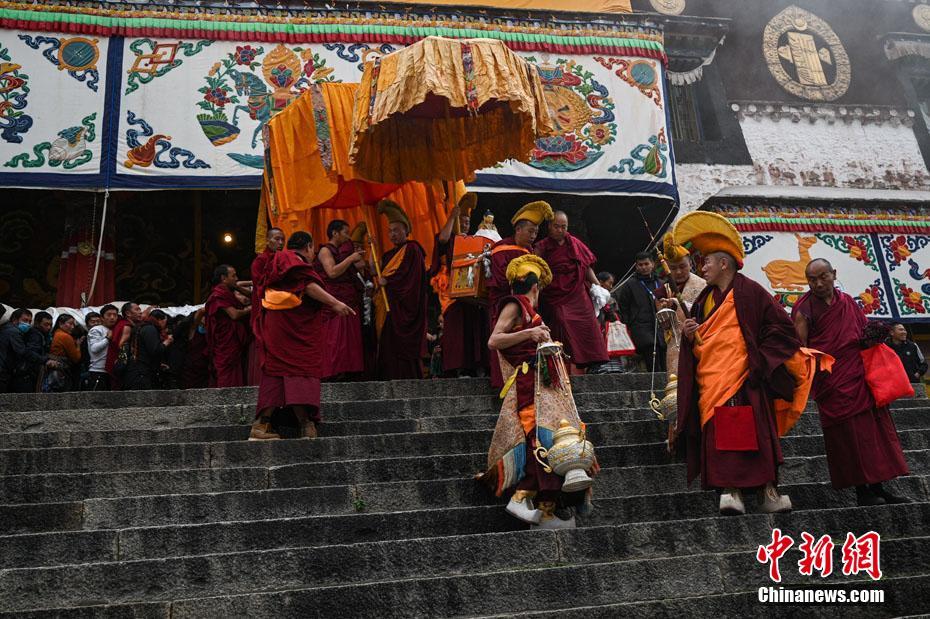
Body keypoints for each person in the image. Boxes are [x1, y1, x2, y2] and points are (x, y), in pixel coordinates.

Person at [671, 211, 824, 516]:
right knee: (722, 435)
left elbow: (780, 327)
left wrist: (760, 361)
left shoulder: (750, 291)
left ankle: (768, 493)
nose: (704, 268)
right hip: (714, 381)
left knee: (756, 435)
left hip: (746, 377)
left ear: (723, 263)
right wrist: (690, 334)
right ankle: (731, 492)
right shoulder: (704, 300)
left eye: (708, 263)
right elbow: (701, 339)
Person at [479, 254, 596, 529]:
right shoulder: (516, 304)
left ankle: (547, 509)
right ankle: (522, 497)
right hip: (527, 386)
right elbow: (494, 340)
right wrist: (529, 335)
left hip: (542, 384)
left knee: (553, 437)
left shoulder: (532, 313)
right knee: (537, 440)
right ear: (535, 287)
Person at [793, 259, 910, 506]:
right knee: (849, 436)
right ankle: (862, 491)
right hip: (832, 380)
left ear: (834, 274)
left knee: (874, 431)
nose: (818, 283)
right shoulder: (804, 309)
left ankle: (879, 486)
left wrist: (873, 335)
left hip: (859, 373)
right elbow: (800, 349)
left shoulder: (847, 302)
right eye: (812, 280)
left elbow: (862, 331)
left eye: (823, 277)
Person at [251, 231, 354, 441]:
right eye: (313, 249)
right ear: (308, 247)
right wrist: (335, 303)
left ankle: (263, 426)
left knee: (279, 372)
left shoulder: (277, 261)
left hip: (281, 327)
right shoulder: (290, 259)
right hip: (290, 330)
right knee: (301, 370)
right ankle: (305, 425)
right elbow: (306, 285)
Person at [487, 200, 553, 388]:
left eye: (536, 232)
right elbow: (500, 282)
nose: (533, 236)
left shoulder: (529, 251)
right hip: (507, 304)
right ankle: (502, 383)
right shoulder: (501, 249)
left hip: (526, 306)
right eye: (530, 231)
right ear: (518, 229)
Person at [534, 210, 609, 373]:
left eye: (564, 227)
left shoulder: (574, 242)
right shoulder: (542, 247)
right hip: (555, 293)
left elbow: (586, 266)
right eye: (556, 226)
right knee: (562, 320)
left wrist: (598, 287)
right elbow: (537, 272)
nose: (560, 230)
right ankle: (571, 360)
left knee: (589, 322)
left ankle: (596, 362)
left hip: (577, 292)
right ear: (549, 226)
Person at [430, 193, 490, 377]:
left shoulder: (473, 242)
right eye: (462, 220)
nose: (465, 223)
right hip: (456, 294)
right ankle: (459, 368)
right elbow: (442, 239)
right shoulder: (452, 241)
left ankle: (478, 366)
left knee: (477, 327)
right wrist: (452, 217)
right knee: (458, 331)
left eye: (467, 221)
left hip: (473, 296)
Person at [375, 199, 428, 380]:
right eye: (390, 231)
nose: (392, 234)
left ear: (406, 231)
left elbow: (410, 278)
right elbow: (378, 273)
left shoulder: (412, 249)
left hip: (404, 307)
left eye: (396, 230)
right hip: (390, 305)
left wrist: (388, 281)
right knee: (388, 343)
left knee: (401, 344)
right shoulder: (388, 255)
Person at [315, 219, 366, 380]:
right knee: (335, 338)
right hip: (334, 301)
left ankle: (348, 370)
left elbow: (358, 268)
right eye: (345, 232)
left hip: (347, 298)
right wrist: (351, 258)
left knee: (348, 339)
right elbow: (332, 272)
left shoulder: (341, 252)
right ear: (335, 233)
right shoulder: (325, 251)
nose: (348, 236)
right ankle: (334, 372)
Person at [654, 236, 706, 376]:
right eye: (673, 268)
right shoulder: (663, 290)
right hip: (676, 344)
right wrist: (665, 310)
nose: (678, 272)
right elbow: (664, 326)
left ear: (690, 264)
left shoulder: (703, 285)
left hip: (701, 339)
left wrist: (678, 303)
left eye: (682, 266)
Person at [248, 226, 286, 385]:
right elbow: (261, 284)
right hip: (265, 308)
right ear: (267, 240)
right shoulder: (260, 261)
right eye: (277, 239)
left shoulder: (284, 258)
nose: (281, 243)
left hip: (281, 307)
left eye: (283, 239)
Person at [617, 251, 666, 372]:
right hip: (640, 327)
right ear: (636, 266)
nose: (643, 267)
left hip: (660, 326)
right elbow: (623, 306)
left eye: (646, 264)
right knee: (650, 353)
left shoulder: (660, 283)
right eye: (640, 265)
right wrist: (629, 323)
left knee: (663, 355)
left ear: (653, 264)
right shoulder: (629, 285)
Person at [205, 264, 251, 387]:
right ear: (223, 278)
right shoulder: (218, 295)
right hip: (226, 344)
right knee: (227, 375)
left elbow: (251, 295)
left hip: (233, 342)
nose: (236, 278)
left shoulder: (227, 293)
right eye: (233, 276)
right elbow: (234, 315)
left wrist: (239, 286)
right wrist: (251, 308)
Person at [123, 309, 173, 391]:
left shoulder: (140, 326)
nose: (165, 325)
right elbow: (155, 350)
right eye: (165, 322)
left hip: (136, 370)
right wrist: (167, 341)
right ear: (160, 320)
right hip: (142, 373)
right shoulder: (150, 329)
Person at [46, 314, 82, 392]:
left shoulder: (55, 333)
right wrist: (78, 346)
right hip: (61, 370)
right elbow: (76, 358)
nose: (72, 327)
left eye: (73, 324)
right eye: (70, 323)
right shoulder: (65, 336)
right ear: (61, 324)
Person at [105, 303, 137, 390]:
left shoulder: (121, 323)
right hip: (123, 364)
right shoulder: (125, 325)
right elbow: (121, 345)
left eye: (114, 315)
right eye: (137, 309)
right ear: (128, 313)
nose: (140, 312)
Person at [0, 308, 27, 392]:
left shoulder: (5, 328)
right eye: (25, 320)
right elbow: (21, 352)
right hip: (3, 371)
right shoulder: (14, 332)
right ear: (15, 319)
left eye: (29, 321)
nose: (28, 324)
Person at [85, 308, 112, 391]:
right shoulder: (95, 330)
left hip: (107, 371)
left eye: (98, 321)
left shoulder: (106, 329)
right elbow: (94, 348)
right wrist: (107, 339)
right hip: (97, 371)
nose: (96, 324)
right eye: (93, 322)